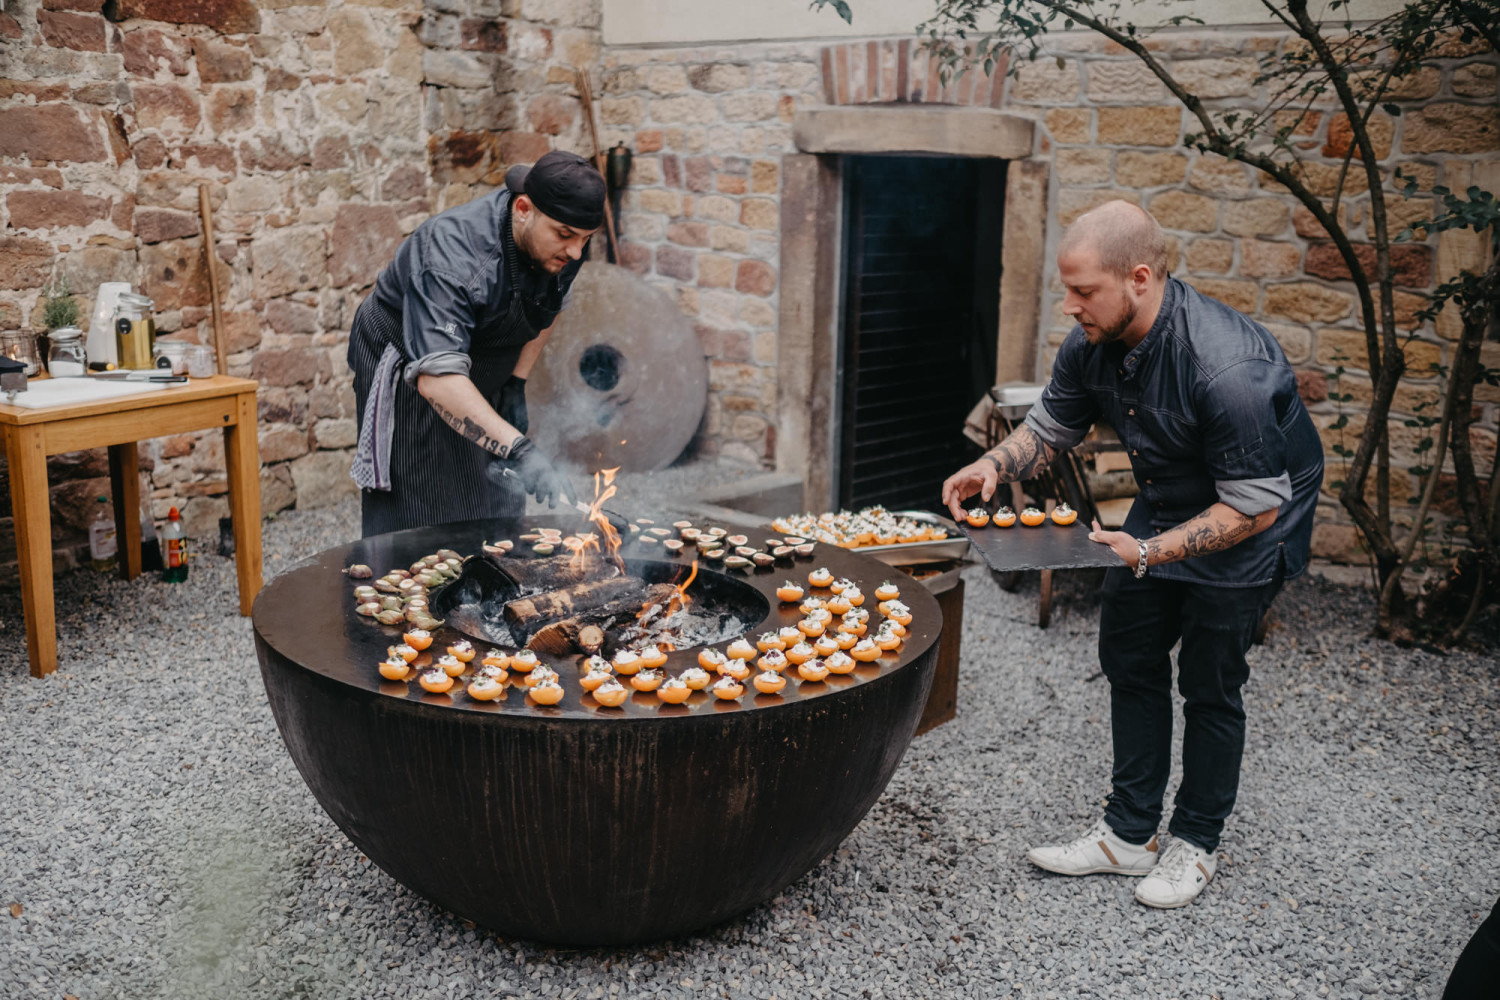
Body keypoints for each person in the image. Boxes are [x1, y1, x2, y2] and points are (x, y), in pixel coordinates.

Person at [941, 201, 1323, 909]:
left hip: (1252, 516)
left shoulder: (1225, 367)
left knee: (1211, 681)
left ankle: (1196, 842)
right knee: (1130, 653)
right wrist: (994, 463)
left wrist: (1148, 549)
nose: (1069, 305)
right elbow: (1051, 427)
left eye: (1084, 291)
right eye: (1067, 289)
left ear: (1139, 278)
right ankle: (1128, 834)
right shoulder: (1089, 343)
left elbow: (1255, 505)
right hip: (1168, 497)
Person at [348, 150, 605, 536]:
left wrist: (516, 382)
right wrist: (519, 448)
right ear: (523, 208)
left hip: (481, 357)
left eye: (585, 239)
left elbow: (549, 307)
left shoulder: (565, 247)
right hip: (412, 364)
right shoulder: (450, 254)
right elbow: (437, 379)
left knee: (498, 498)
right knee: (426, 510)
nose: (575, 252)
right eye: (565, 236)